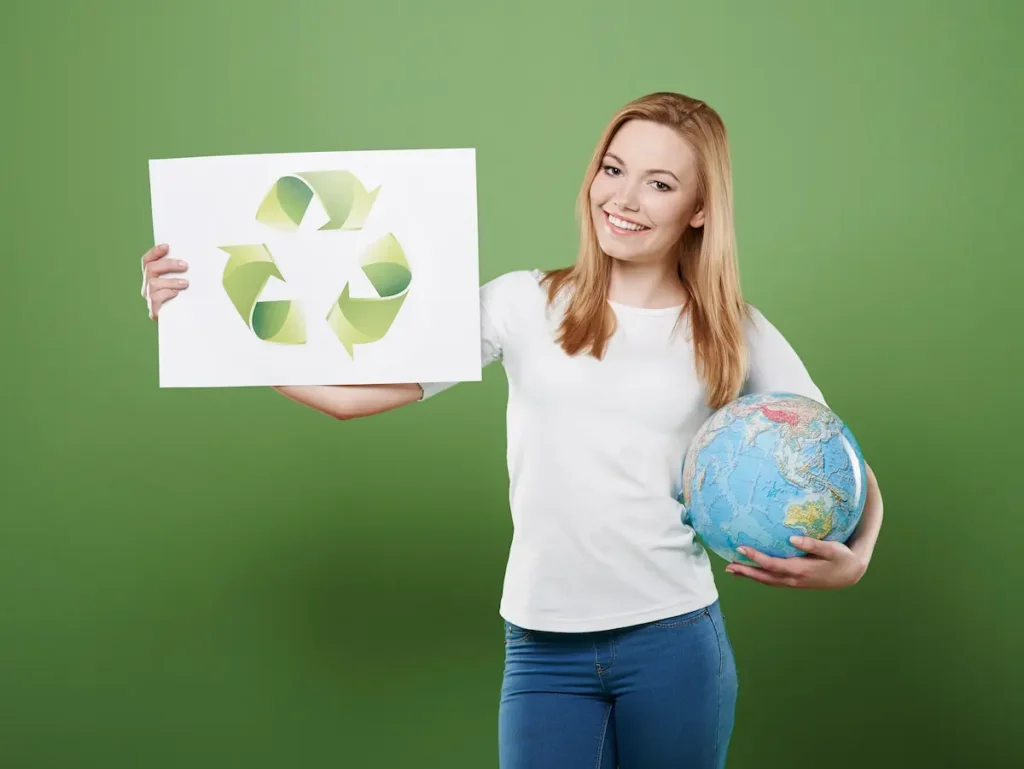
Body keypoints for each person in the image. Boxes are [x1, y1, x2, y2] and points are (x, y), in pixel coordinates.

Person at [139, 91, 884, 769]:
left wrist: (856, 557)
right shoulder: (523, 303)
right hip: (541, 649)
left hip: (675, 642)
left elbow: (839, 459)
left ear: (698, 207)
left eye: (659, 183)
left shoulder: (732, 330)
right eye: (613, 169)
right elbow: (347, 397)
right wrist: (203, 321)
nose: (623, 198)